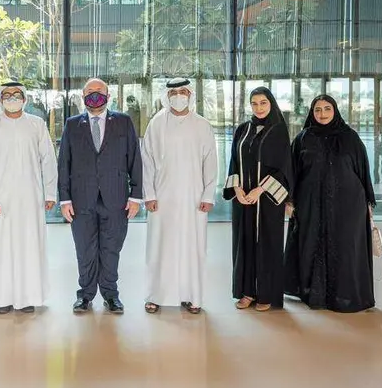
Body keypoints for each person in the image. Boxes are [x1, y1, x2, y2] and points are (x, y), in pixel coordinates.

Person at [58, 78, 143, 314]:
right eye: (90, 92)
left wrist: (136, 196)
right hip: (81, 200)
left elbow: (135, 159)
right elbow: (64, 162)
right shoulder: (72, 124)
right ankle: (84, 296)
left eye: (99, 91)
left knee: (111, 249)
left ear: (108, 95)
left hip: (116, 199)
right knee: (84, 250)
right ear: (82, 96)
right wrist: (64, 199)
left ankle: (110, 294)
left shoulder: (124, 122)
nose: (94, 95)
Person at [284, 95, 376, 312]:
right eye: (317, 110)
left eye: (327, 109)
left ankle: (343, 296)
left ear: (335, 110)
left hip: (348, 206)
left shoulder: (351, 138)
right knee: (310, 245)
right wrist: (289, 201)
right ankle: (312, 293)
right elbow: (292, 173)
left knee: (344, 248)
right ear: (312, 113)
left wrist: (368, 205)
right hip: (310, 205)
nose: (322, 114)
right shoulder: (302, 139)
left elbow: (363, 171)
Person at [0, 82, 58, 314]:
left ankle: (28, 296)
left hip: (31, 197)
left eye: (16, 95)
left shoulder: (37, 124)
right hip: (1, 199)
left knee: (29, 245)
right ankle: (2, 298)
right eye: (7, 95)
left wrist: (50, 192)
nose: (12, 98)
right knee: (2, 248)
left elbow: (48, 160)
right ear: (0, 99)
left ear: (25, 98)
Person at [141, 78, 218, 314]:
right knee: (160, 245)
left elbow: (210, 162)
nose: (178, 96)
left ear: (191, 94)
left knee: (192, 246)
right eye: (173, 92)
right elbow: (147, 161)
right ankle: (156, 295)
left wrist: (208, 194)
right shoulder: (156, 124)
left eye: (183, 91)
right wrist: (149, 194)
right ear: (167, 96)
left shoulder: (202, 125)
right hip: (163, 198)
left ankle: (191, 296)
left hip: (194, 198)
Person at [222, 87, 291, 311]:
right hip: (243, 200)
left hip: (268, 201)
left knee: (267, 245)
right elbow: (233, 161)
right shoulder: (243, 129)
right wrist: (238, 190)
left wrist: (259, 190)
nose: (259, 108)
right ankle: (247, 291)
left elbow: (284, 168)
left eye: (263, 103)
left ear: (271, 103)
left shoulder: (279, 131)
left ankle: (266, 293)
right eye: (254, 103)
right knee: (245, 242)